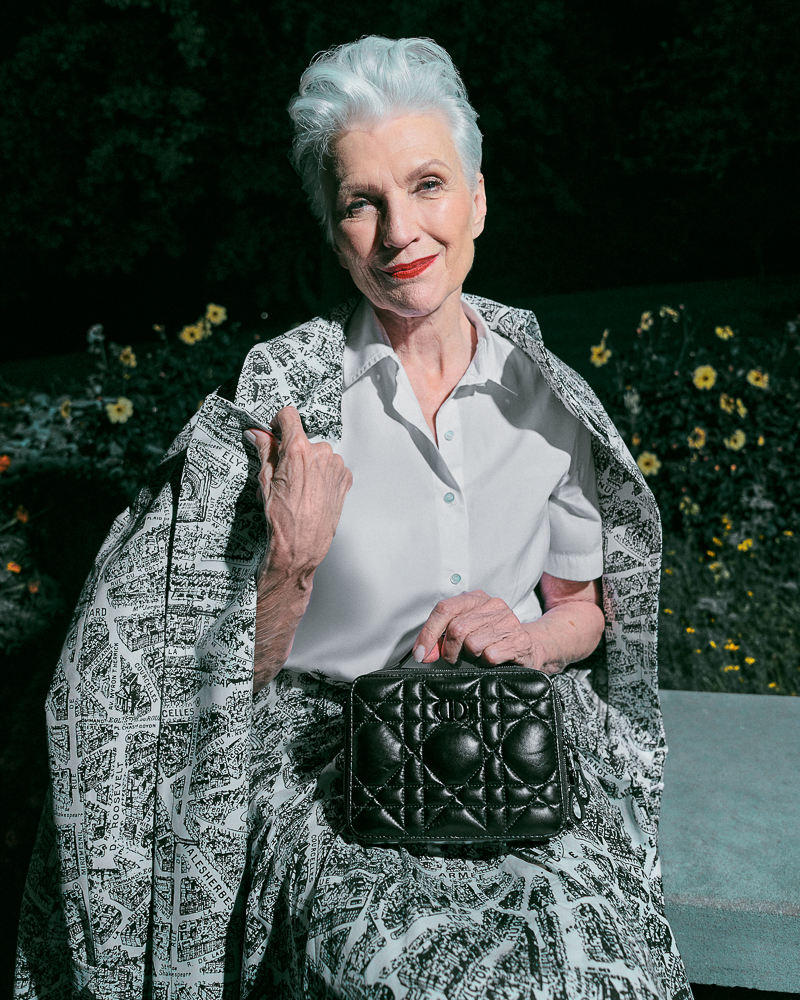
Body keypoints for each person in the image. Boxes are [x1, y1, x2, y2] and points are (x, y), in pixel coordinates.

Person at [14, 35, 692, 1000]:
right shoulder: (282, 406)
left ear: (478, 201)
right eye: (361, 203)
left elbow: (584, 606)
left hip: (507, 743)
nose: (400, 231)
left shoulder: (547, 398)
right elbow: (180, 691)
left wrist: (529, 638)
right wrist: (290, 561)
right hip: (325, 763)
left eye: (427, 186)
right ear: (332, 231)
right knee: (393, 972)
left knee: (593, 957)